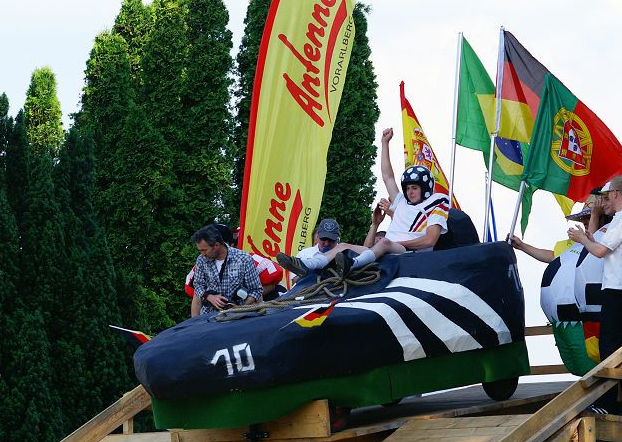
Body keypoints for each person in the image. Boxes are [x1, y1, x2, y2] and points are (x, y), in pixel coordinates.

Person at [277, 128, 449, 277]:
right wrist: (384, 143)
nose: (410, 192)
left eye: (415, 188)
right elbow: (387, 176)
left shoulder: (438, 202)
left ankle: (350, 266)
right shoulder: (402, 201)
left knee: (384, 242)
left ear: (425, 188)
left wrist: (393, 243)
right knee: (342, 246)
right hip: (386, 249)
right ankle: (307, 265)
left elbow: (430, 240)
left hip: (411, 255)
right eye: (408, 188)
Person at [567, 175, 622, 417]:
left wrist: (582, 239)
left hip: (618, 291)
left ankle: (610, 403)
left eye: (606, 196)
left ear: (615, 194)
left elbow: (600, 251)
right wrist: (588, 239)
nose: (604, 201)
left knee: (610, 349)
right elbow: (604, 247)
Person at [190, 225, 263, 318]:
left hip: (237, 319)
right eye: (200, 251)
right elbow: (198, 285)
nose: (202, 254)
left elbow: (256, 290)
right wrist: (210, 297)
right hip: (209, 318)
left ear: (216, 245)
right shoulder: (201, 260)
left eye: (204, 250)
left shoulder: (244, 259)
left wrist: (240, 308)